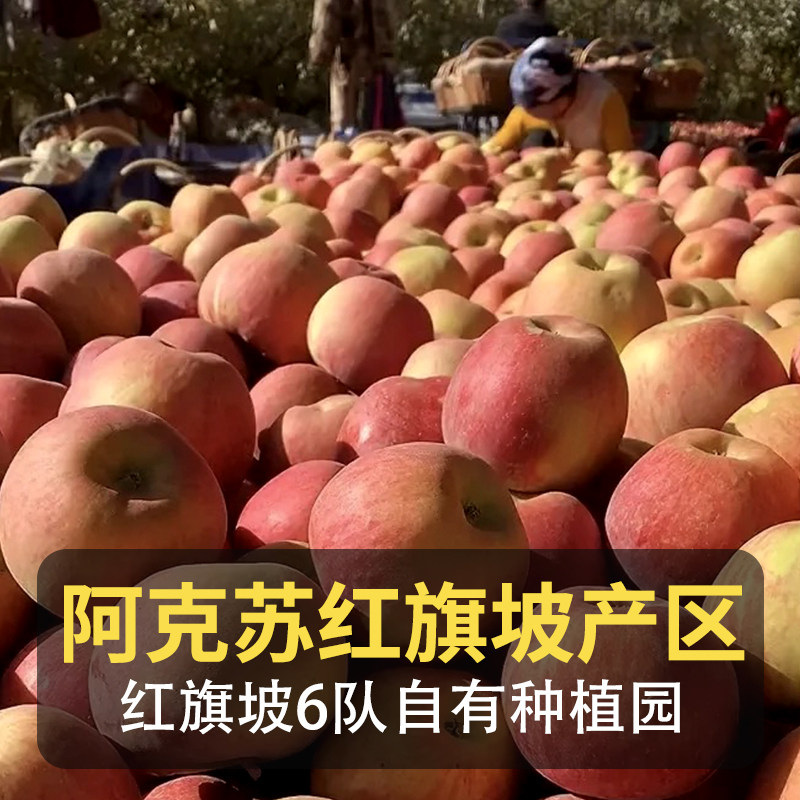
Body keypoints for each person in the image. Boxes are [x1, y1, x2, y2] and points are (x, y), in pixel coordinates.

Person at [483, 36, 634, 154]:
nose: (530, 112)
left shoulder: (604, 101)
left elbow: (622, 157)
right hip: (544, 177)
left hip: (597, 177)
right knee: (537, 137)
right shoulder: (529, 107)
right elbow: (494, 148)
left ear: (561, 96)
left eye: (537, 108)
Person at [309, 0, 398, 136]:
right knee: (382, 132)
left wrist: (319, 52)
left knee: (347, 133)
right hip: (380, 67)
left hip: (350, 67)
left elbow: (328, 16)